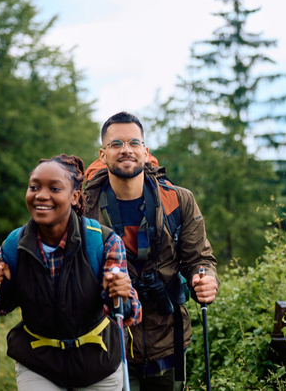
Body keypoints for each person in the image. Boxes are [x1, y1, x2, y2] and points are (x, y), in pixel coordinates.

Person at [83, 112, 219, 391]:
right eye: (116, 144)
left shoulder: (179, 200)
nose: (126, 150)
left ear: (145, 151)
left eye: (134, 142)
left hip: (168, 338)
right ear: (103, 153)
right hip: (108, 340)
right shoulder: (84, 209)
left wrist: (205, 279)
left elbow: (199, 259)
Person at [0, 154, 141, 390]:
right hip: (38, 362)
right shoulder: (13, 244)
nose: (41, 195)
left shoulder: (103, 240)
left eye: (54, 188)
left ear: (75, 196)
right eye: (34, 187)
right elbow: (0, 305)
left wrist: (121, 294)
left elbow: (128, 315)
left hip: (98, 364)